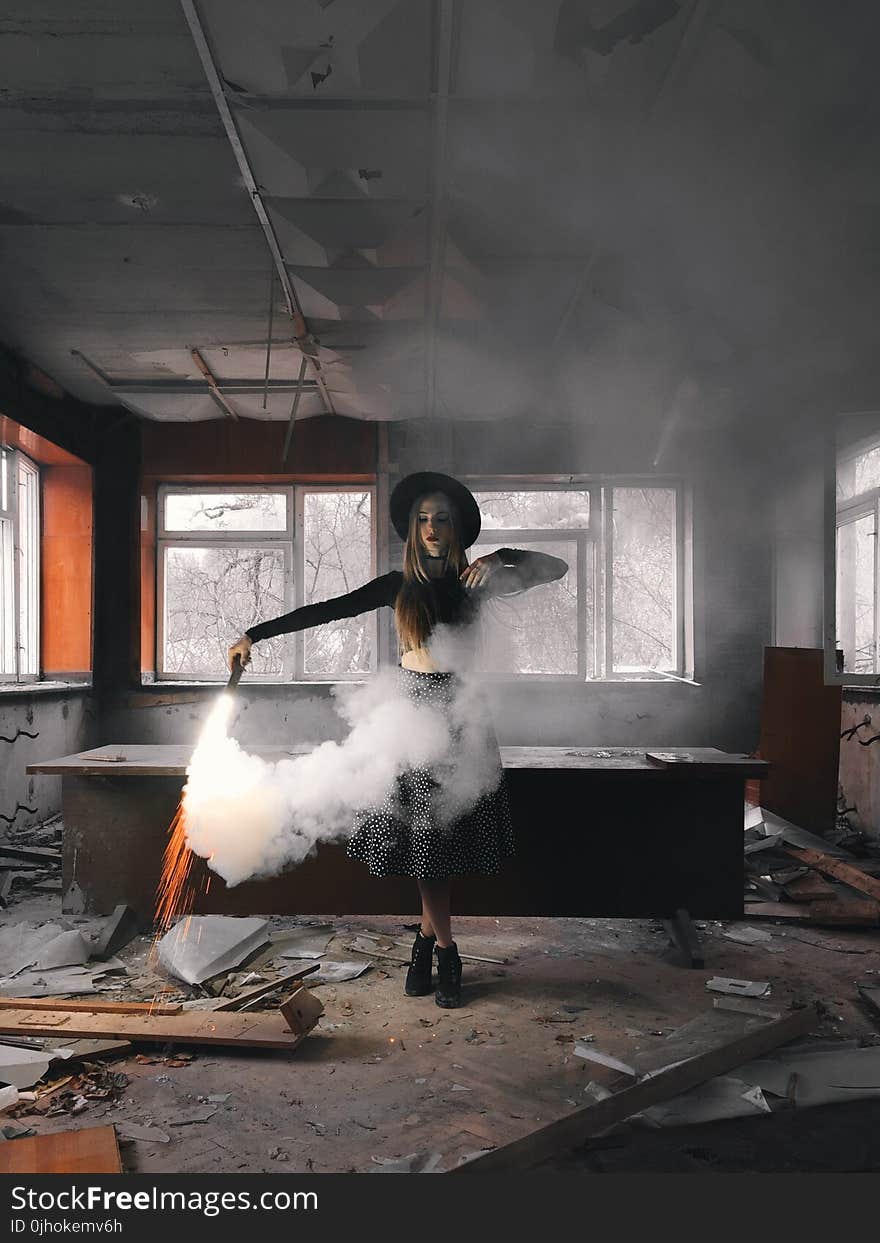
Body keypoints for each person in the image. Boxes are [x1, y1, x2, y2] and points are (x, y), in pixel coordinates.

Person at [228, 472, 568, 1007]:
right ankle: (445, 950)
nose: (433, 528)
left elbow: (557, 568)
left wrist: (501, 557)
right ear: (413, 528)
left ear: (458, 528)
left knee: (441, 846)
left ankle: (426, 942)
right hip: (411, 719)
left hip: (462, 717)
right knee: (425, 845)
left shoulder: (479, 581)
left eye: (443, 519)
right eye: (424, 519)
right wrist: (255, 634)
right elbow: (325, 610)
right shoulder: (396, 586)